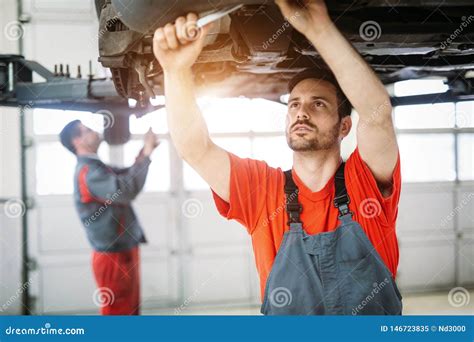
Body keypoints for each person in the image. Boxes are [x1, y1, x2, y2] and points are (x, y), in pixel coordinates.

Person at [152, 0, 402, 315]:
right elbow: (194, 148)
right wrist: (175, 72)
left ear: (344, 126)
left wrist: (318, 28)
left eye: (318, 104)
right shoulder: (263, 190)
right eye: (293, 104)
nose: (301, 112)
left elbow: (377, 114)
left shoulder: (363, 184)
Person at [59, 120, 159, 315]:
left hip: (123, 250)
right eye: (87, 130)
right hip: (113, 257)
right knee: (118, 311)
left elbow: (124, 175)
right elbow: (125, 190)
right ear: (77, 141)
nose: (95, 131)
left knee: (130, 310)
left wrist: (145, 152)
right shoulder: (89, 173)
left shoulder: (97, 167)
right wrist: (146, 154)